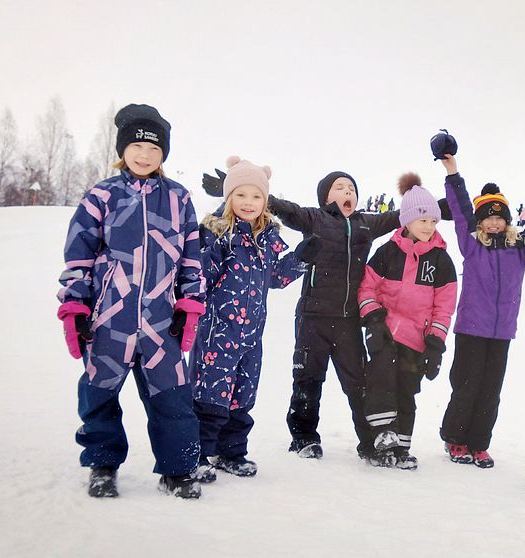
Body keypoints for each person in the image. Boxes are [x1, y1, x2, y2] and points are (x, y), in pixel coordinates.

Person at [56, 103, 205, 499]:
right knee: (99, 394)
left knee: (173, 398)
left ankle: (178, 470)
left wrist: (190, 302)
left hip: (160, 322)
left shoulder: (178, 199)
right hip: (110, 319)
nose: (144, 154)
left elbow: (192, 255)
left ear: (164, 156)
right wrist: (75, 304)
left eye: (154, 149)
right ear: (123, 149)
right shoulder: (102, 195)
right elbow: (78, 255)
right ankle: (102, 465)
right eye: (137, 146)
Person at [265, 171, 400, 460]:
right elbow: (285, 208)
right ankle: (303, 438)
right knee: (308, 378)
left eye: (351, 187)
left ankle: (370, 442)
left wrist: (435, 203)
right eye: (340, 187)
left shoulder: (366, 224)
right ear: (326, 196)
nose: (347, 191)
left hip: (348, 320)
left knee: (358, 382)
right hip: (312, 317)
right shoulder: (315, 218)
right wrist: (248, 183)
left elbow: (403, 216)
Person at [191, 156, 306, 482]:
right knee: (210, 396)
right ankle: (197, 454)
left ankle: (231, 452)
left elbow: (276, 277)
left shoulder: (267, 238)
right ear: (228, 197)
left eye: (256, 196)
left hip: (251, 336)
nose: (249, 202)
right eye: (241, 194)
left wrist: (301, 257)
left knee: (242, 395)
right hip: (216, 332)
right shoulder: (217, 235)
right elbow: (199, 278)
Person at [437, 154, 525, 468]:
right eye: (488, 217)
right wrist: (453, 173)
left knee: (490, 391)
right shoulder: (472, 243)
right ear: (481, 221)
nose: (495, 222)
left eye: (500, 217)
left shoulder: (520, 249)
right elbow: (459, 209)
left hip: (501, 333)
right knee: (467, 385)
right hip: (472, 328)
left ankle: (478, 444)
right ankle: (455, 438)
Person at [358, 173, 457, 470]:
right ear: (407, 221)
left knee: (406, 391)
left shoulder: (441, 261)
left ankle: (401, 447)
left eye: (433, 222)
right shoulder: (387, 253)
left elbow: (444, 306)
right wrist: (374, 321)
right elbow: (367, 288)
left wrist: (436, 344)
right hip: (385, 333)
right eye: (423, 220)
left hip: (416, 339)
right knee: (380, 383)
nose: (429, 227)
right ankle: (380, 439)